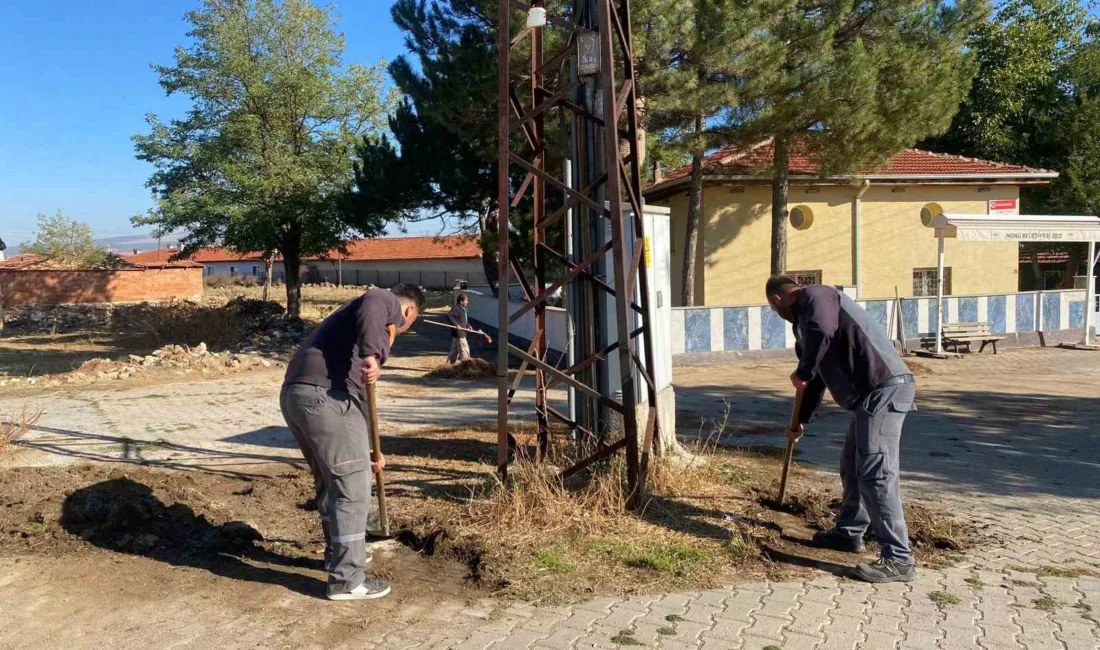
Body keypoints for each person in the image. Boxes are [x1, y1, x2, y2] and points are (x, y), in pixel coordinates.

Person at [765, 276, 917, 583]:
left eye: (773, 308)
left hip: (883, 390)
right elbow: (815, 380)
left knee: (877, 473)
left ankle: (899, 558)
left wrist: (803, 369)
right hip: (868, 399)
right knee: (851, 464)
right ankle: (849, 534)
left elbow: (820, 336)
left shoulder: (816, 295)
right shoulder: (804, 328)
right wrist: (800, 421)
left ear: (777, 300)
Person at [280, 283, 425, 600]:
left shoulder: (348, 326)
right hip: (325, 398)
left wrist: (372, 450)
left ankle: (338, 557)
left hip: (299, 395)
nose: (400, 331)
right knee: (352, 487)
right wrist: (374, 354)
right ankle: (347, 580)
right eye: (407, 325)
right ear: (409, 312)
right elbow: (375, 297)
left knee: (333, 481)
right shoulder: (385, 301)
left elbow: (359, 402)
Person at [447, 293, 473, 364]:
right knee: (464, 350)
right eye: (466, 300)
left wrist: (468, 325)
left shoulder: (465, 309)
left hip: (460, 333)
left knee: (454, 351)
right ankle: (466, 365)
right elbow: (450, 316)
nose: (467, 302)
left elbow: (465, 320)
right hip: (459, 334)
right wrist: (456, 325)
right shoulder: (456, 308)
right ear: (461, 301)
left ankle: (449, 364)